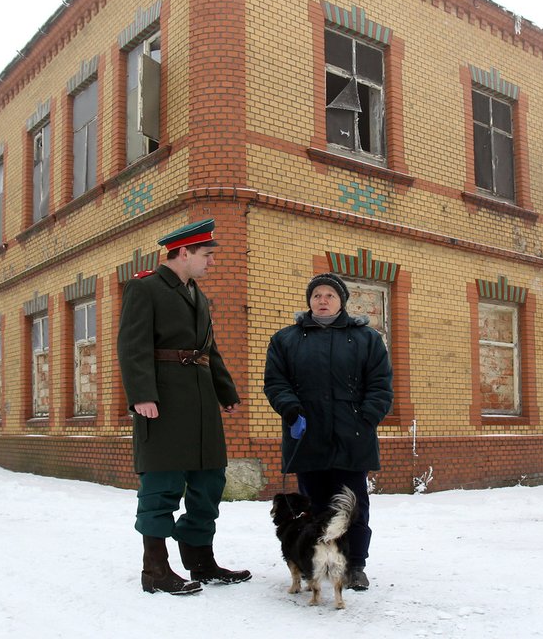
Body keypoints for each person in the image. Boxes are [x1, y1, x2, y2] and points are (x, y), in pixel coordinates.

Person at [117, 218, 250, 596]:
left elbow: (208, 349)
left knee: (209, 481)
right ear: (184, 252)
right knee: (162, 484)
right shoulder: (145, 288)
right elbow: (132, 344)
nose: (211, 262)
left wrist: (226, 392)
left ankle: (200, 559)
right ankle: (155, 568)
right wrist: (142, 393)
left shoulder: (198, 295)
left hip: (202, 402)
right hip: (162, 402)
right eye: (206, 255)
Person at [263, 272, 394, 591]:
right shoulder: (286, 339)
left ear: (342, 301)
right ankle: (317, 563)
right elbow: (275, 382)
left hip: (353, 436)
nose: (323, 300)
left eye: (330, 295)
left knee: (352, 504)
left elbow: (380, 385)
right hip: (307, 436)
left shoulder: (366, 339)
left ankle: (355, 565)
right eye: (317, 295)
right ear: (309, 301)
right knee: (314, 506)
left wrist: (366, 419)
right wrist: (291, 409)